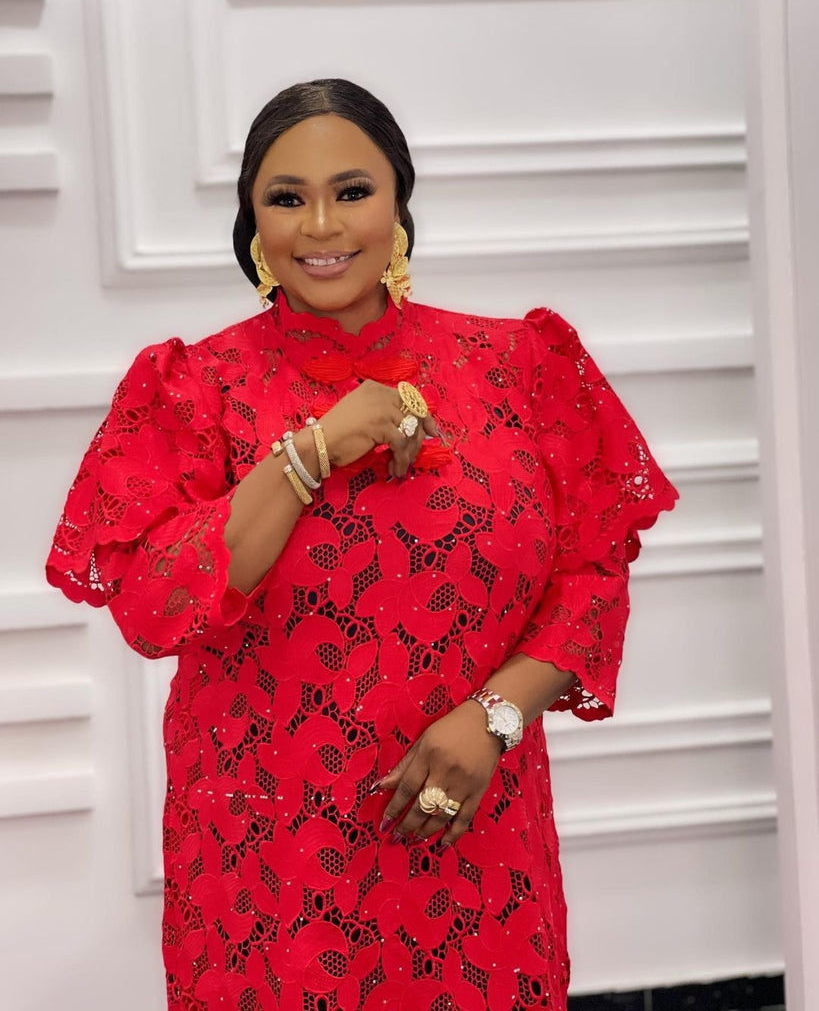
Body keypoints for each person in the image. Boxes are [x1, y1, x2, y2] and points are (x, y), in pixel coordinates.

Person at [45, 78, 677, 1011]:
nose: (321, 225)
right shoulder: (193, 388)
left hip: (469, 828)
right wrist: (315, 448)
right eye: (286, 198)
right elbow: (151, 608)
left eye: (351, 191)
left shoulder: (518, 364)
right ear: (253, 222)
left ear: (398, 203)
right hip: (267, 859)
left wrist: (494, 720)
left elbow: (591, 573)